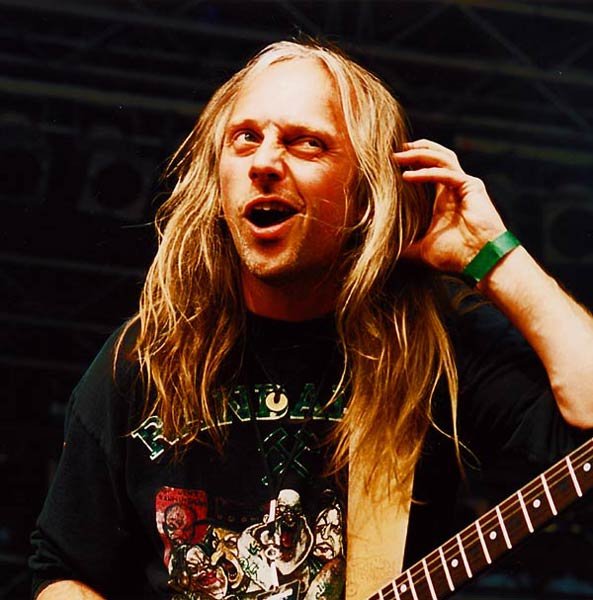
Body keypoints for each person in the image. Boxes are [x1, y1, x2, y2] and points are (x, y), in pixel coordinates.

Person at [29, 39, 593, 600]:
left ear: (365, 192)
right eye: (245, 137)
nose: (264, 163)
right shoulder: (146, 358)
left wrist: (492, 254)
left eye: (307, 143)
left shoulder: (431, 343)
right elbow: (63, 568)